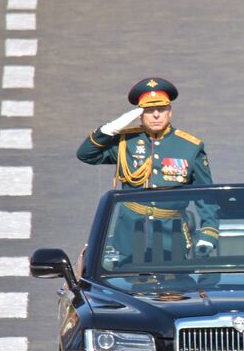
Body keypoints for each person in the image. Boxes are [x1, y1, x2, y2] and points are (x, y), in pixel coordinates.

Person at [78, 77, 219, 262]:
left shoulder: (189, 147)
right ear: (140, 114)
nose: (156, 115)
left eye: (161, 109)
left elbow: (205, 195)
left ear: (170, 112)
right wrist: (109, 130)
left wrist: (209, 233)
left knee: (173, 290)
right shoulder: (125, 142)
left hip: (172, 236)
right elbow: (86, 155)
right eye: (149, 110)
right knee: (130, 288)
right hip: (130, 235)